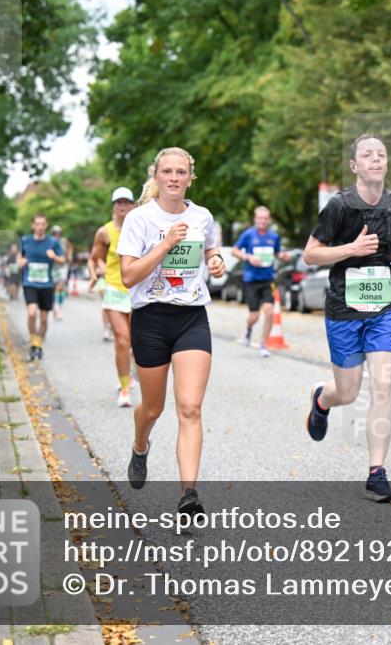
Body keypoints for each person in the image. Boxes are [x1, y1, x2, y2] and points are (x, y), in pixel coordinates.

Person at [302, 134, 391, 504]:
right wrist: (351, 249)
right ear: (354, 166)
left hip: (384, 308)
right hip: (344, 309)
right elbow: (310, 255)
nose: (376, 159)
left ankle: (376, 472)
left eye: (381, 154)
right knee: (347, 392)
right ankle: (322, 400)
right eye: (367, 155)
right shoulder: (339, 206)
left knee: (383, 385)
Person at [117, 147, 224, 516]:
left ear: (190, 177)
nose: (174, 178)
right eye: (167, 171)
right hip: (150, 320)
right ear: (157, 177)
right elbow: (128, 276)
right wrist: (165, 244)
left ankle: (188, 494)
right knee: (152, 408)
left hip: (192, 316)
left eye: (181, 172)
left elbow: (210, 248)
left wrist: (215, 259)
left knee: (190, 408)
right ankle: (140, 445)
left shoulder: (202, 216)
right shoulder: (139, 219)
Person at [88, 186, 138, 407]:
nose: (123, 206)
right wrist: (95, 272)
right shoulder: (105, 232)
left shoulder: (141, 228)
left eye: (127, 202)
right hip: (115, 290)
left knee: (136, 343)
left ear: (134, 205)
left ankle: (129, 373)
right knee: (122, 340)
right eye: (119, 203)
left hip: (137, 291)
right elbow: (93, 258)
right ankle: (125, 389)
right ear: (114, 207)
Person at [231, 206, 290, 357]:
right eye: (260, 218)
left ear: (268, 220)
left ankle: (264, 344)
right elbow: (234, 251)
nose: (262, 221)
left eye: (265, 218)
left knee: (270, 311)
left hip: (268, 279)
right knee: (254, 316)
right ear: (255, 219)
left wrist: (283, 256)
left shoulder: (273, 236)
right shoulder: (248, 235)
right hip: (251, 279)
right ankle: (248, 329)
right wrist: (249, 257)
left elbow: (277, 252)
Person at [19, 214, 65, 361]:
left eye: (42, 224)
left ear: (46, 226)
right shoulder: (25, 241)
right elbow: (18, 259)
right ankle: (33, 342)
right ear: (33, 225)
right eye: (37, 224)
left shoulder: (53, 242)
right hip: (30, 283)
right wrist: (21, 262)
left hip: (47, 284)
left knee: (44, 319)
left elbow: (63, 261)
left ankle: (39, 345)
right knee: (32, 313)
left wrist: (55, 257)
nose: (39, 227)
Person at [50, 226, 73, 320]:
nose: (57, 234)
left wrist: (69, 255)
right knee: (55, 288)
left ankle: (58, 308)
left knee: (60, 287)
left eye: (58, 233)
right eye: (55, 233)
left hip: (63, 266)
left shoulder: (64, 241)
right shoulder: (50, 241)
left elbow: (70, 248)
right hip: (53, 267)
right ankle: (56, 307)